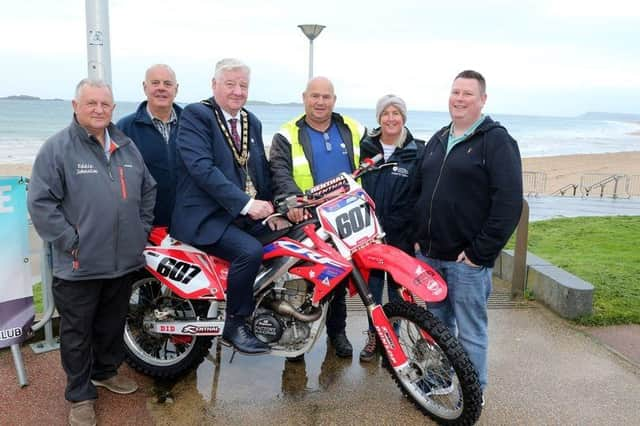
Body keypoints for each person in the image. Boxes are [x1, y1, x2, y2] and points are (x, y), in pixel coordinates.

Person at [27, 79, 156, 426]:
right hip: (79, 264)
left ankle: (105, 371)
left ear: (113, 109)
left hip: (123, 261)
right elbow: (41, 204)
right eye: (91, 103)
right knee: (77, 333)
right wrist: (72, 241)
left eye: (105, 104)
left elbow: (148, 190)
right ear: (75, 106)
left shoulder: (126, 146)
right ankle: (80, 395)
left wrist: (140, 231)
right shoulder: (58, 149)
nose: (99, 110)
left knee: (111, 325)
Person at [412, 70, 523, 398]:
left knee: (471, 333)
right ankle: (441, 378)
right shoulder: (438, 138)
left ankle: (473, 394)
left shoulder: (496, 140)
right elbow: (419, 190)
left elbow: (508, 203)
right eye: (455, 92)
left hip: (467, 262)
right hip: (431, 256)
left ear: (482, 100)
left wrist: (479, 253)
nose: (459, 99)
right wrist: (418, 237)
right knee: (437, 327)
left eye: (468, 94)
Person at [171, 58, 285, 355]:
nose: (237, 91)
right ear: (214, 85)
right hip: (204, 216)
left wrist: (274, 210)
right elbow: (202, 169)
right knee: (249, 252)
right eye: (230, 84)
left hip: (238, 214)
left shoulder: (251, 121)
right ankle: (235, 324)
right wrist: (247, 205)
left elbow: (259, 169)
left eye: (243, 85)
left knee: (289, 242)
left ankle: (270, 308)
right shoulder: (197, 115)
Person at [269, 76, 366, 358]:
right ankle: (295, 343)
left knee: (337, 279)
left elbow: (380, 150)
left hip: (345, 218)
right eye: (315, 96)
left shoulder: (353, 128)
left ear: (334, 100)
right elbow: (279, 170)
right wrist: (290, 202)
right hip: (306, 222)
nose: (320, 102)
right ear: (304, 98)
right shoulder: (287, 134)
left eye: (326, 96)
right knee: (299, 282)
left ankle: (337, 334)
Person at [358, 94, 425, 362]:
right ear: (379, 118)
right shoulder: (364, 147)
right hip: (369, 235)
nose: (391, 118)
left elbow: (423, 196)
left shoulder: (417, 151)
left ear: (403, 118)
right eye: (386, 113)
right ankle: (375, 336)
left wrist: (418, 235)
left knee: (397, 293)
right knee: (371, 293)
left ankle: (392, 338)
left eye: (396, 113)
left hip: (402, 236)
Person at [116, 64, 182, 227]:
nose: (161, 88)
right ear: (145, 87)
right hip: (144, 224)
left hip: (187, 222)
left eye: (167, 84)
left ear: (176, 89)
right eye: (155, 83)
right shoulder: (124, 128)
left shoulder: (192, 125)